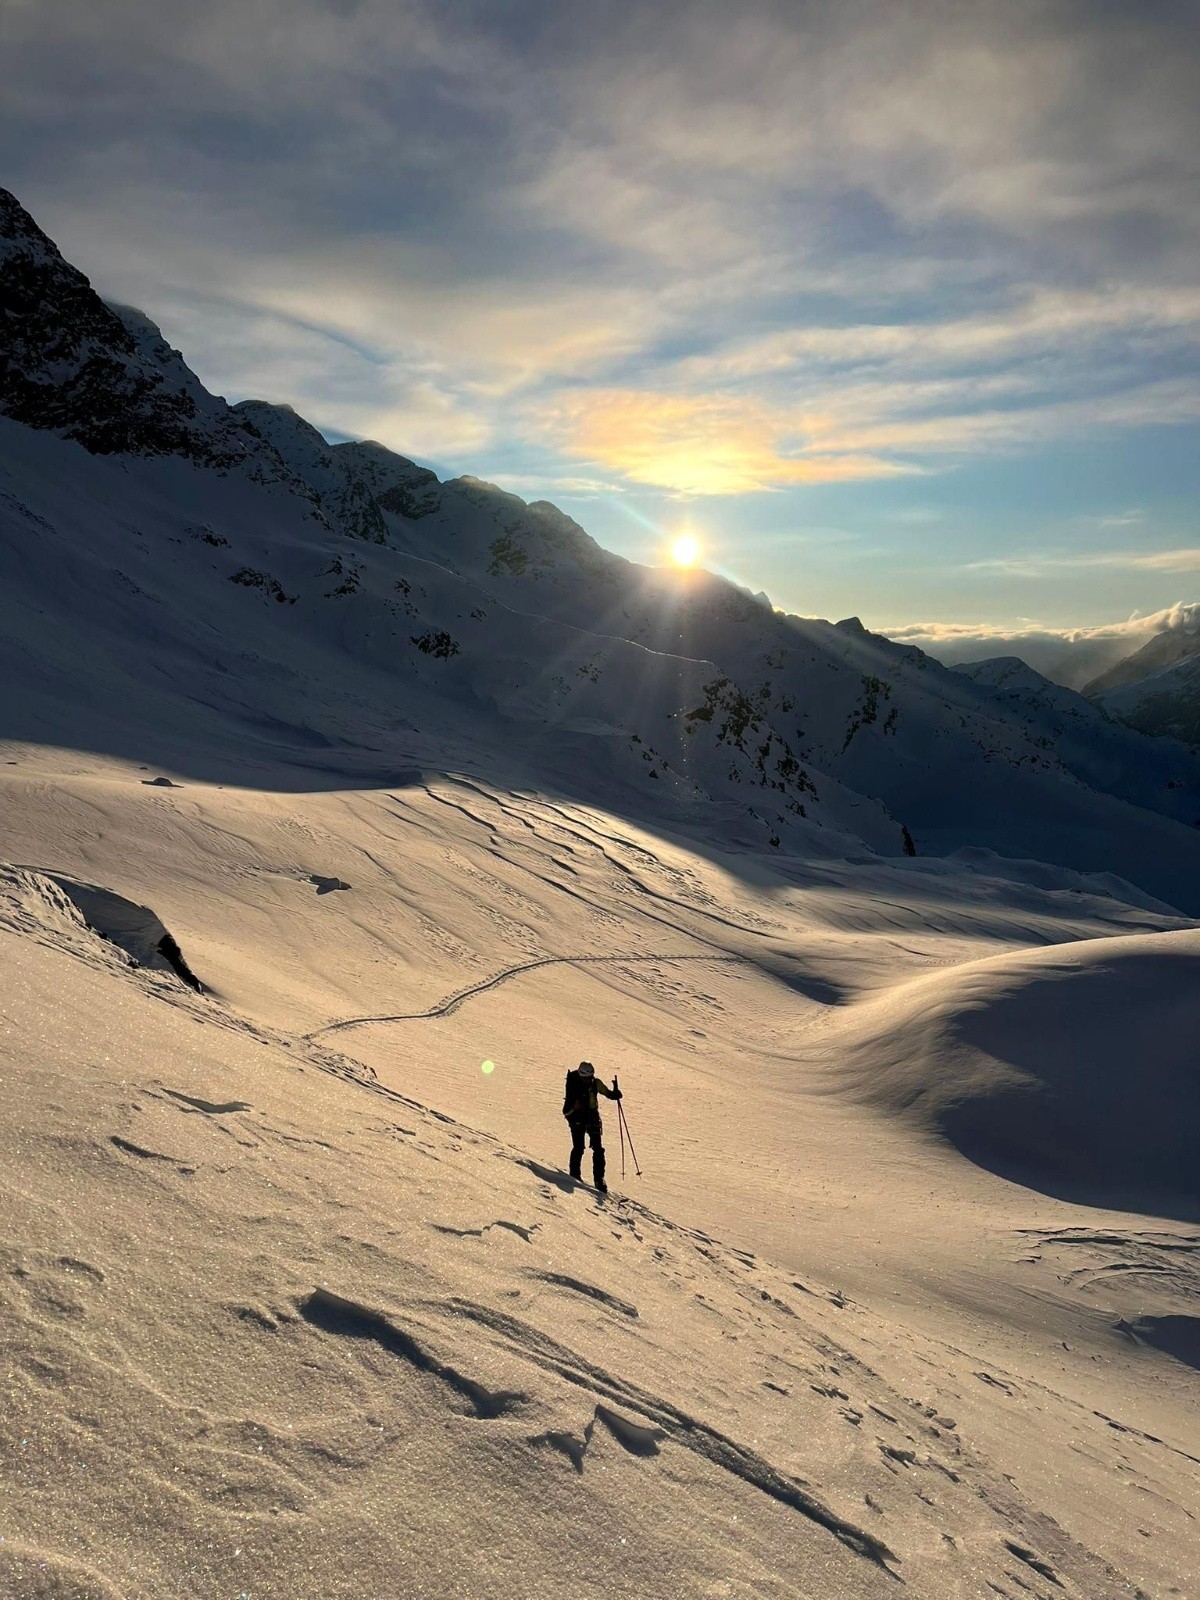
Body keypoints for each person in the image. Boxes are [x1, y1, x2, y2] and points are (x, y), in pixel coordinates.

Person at [562, 1060, 621, 1193]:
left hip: (591, 1117)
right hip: (578, 1118)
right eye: (586, 1078)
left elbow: (608, 1094)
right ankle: (575, 1175)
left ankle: (599, 1180)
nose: (588, 1080)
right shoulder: (574, 1086)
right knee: (579, 1147)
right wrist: (574, 1108)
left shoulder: (595, 1083)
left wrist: (615, 1093)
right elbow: (566, 1110)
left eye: (590, 1077)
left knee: (597, 1149)